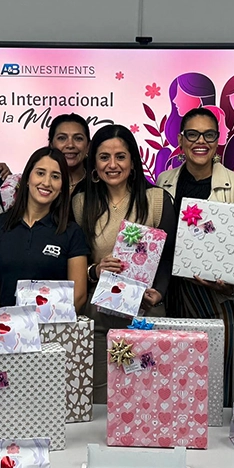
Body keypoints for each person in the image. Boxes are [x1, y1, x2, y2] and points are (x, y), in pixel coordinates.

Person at [156, 107, 234, 404]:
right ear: (180, 140)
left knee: (219, 378)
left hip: (224, 298)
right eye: (192, 134)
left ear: (218, 140)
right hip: (176, 293)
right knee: (179, 373)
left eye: (209, 134)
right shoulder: (164, 181)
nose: (201, 141)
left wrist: (230, 285)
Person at [72, 124, 176, 402]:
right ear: (94, 163)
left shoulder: (156, 200)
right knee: (100, 400)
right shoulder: (81, 204)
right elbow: (74, 261)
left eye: (120, 156)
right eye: (104, 157)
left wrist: (160, 292)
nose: (112, 165)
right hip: (99, 315)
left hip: (145, 312)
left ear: (133, 161)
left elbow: (168, 258)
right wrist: (95, 270)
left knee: (149, 397)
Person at [0, 147, 89, 309]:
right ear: (27, 178)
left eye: (55, 176)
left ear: (62, 186)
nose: (46, 182)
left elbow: (79, 295)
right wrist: (5, 323)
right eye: (40, 173)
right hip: (5, 323)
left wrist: (47, 321)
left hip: (54, 324)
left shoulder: (72, 233)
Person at [48, 113, 90, 191]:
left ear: (88, 146)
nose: (70, 145)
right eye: (62, 138)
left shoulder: (100, 185)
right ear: (51, 145)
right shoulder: (41, 183)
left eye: (78, 138)